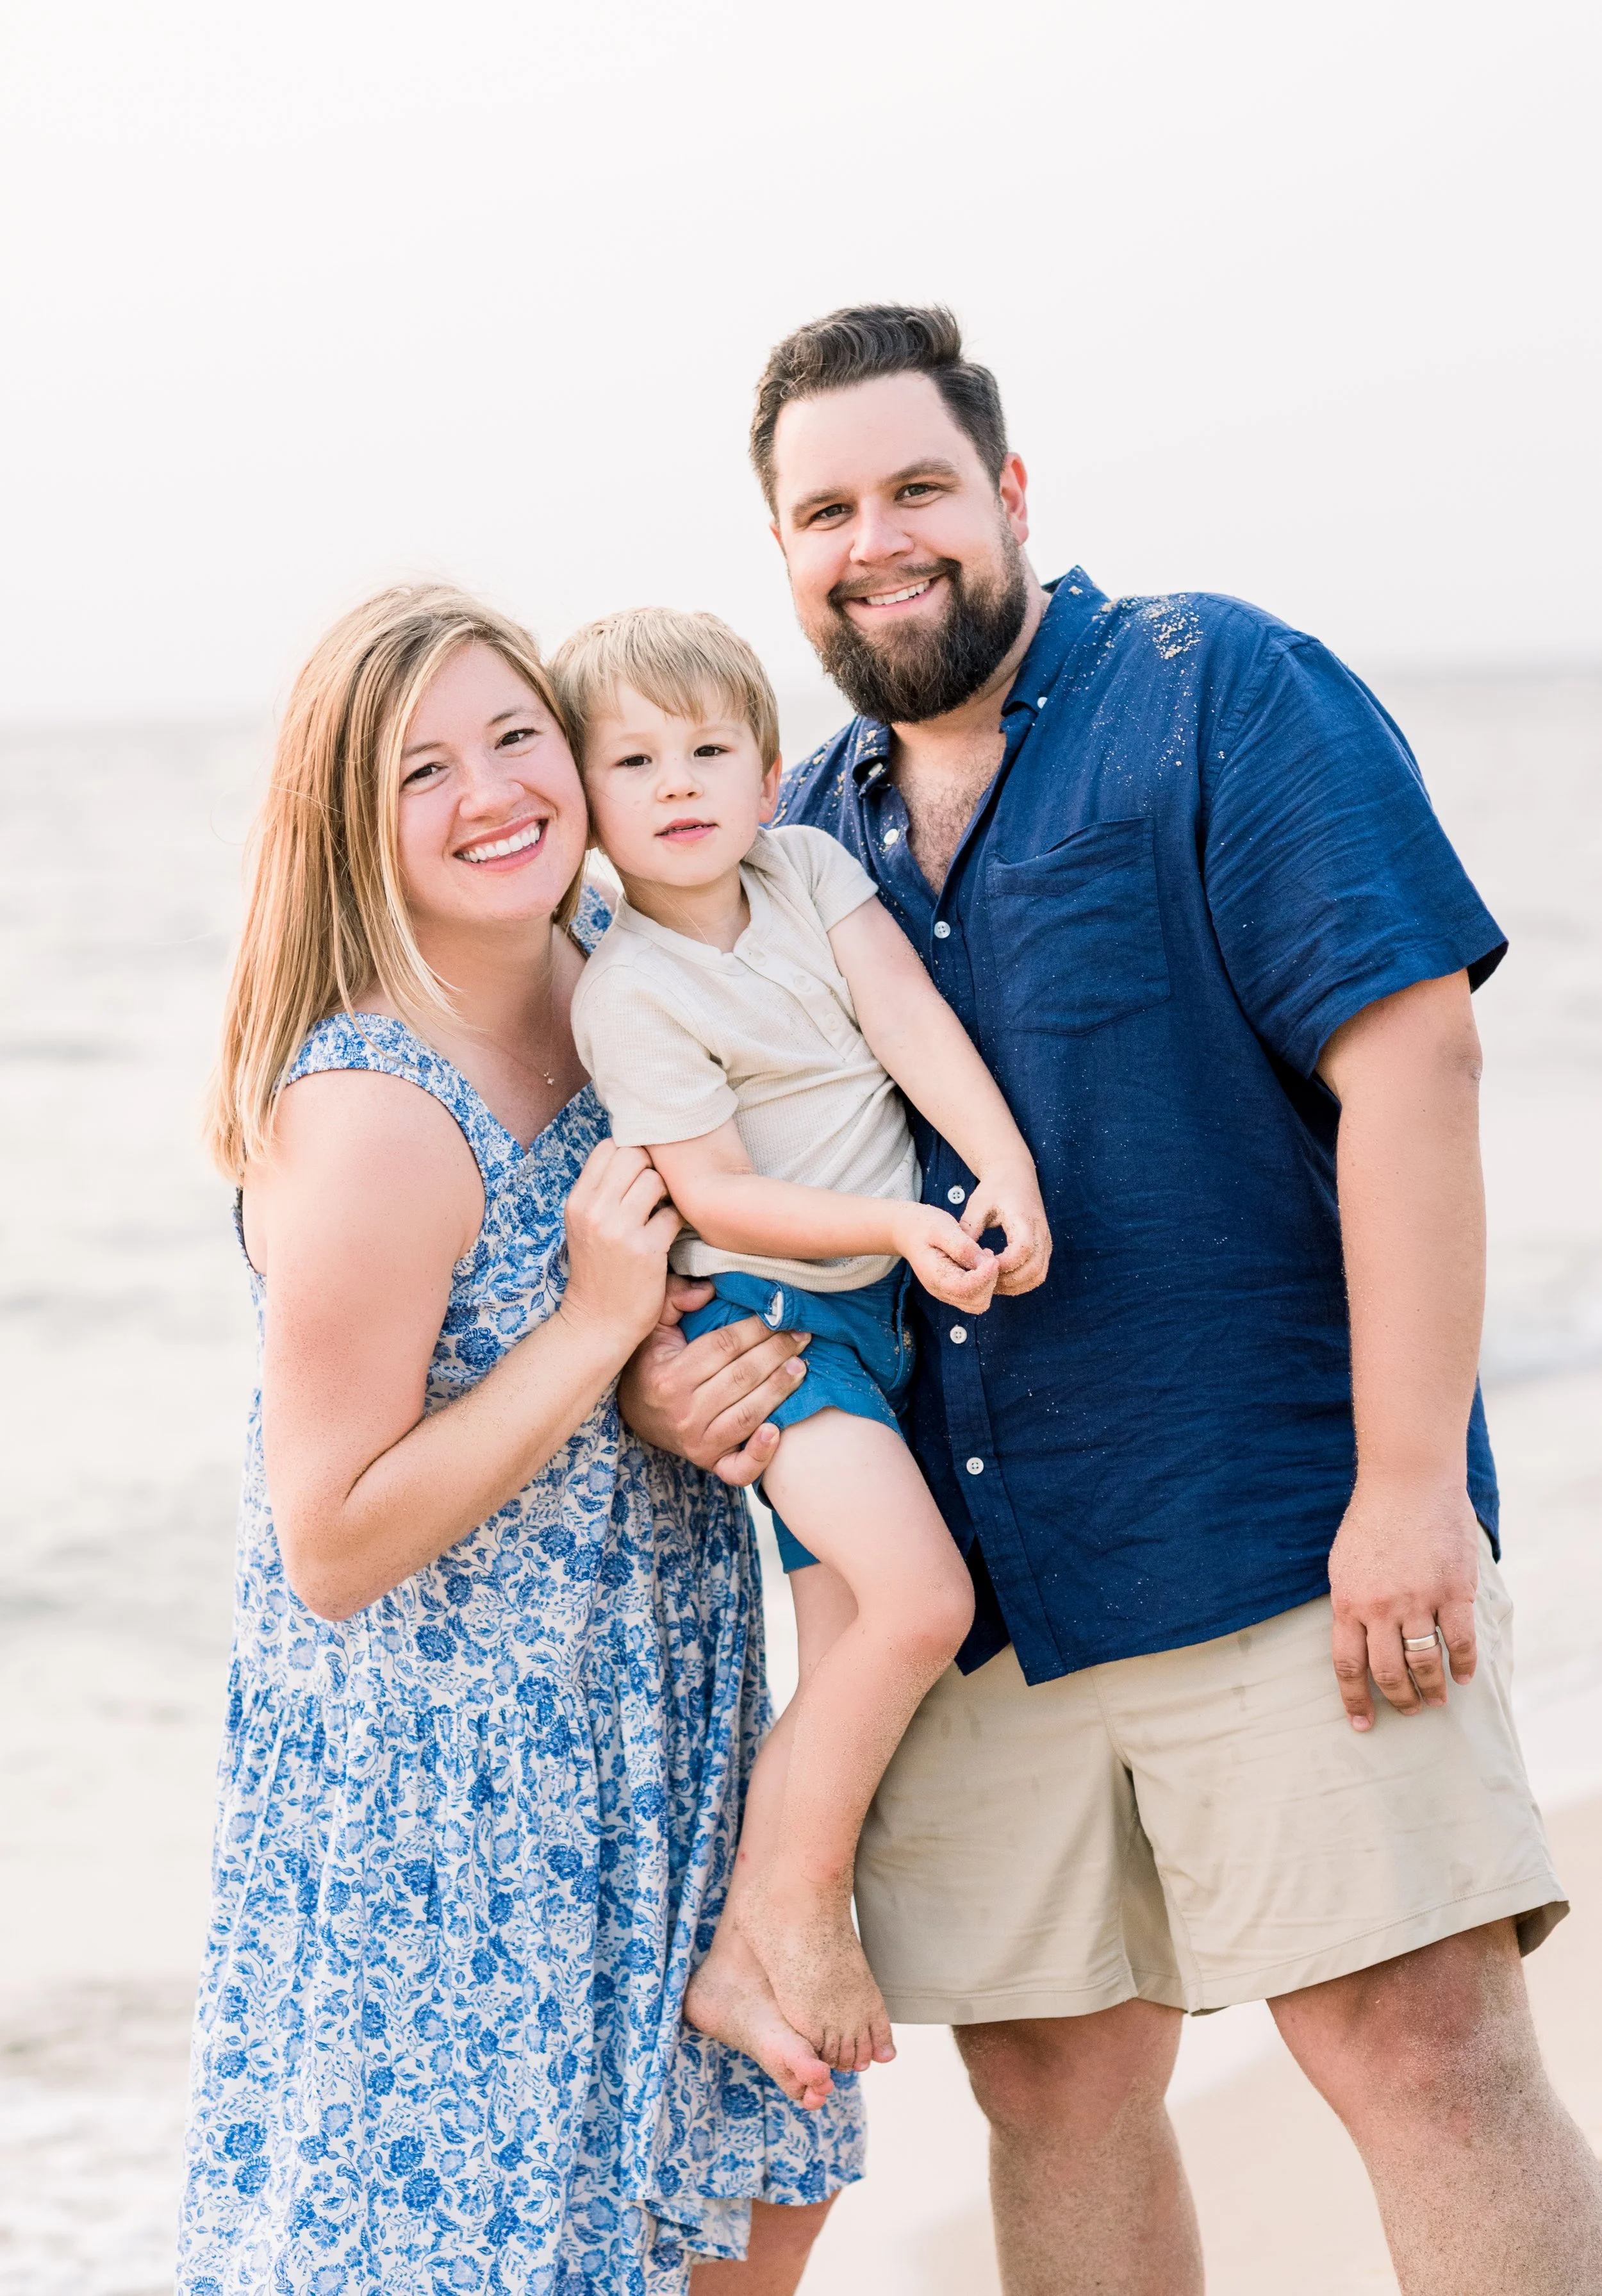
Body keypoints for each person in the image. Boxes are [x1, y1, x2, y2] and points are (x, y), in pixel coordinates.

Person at [622, 306, 1602, 2294]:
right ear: (784, 554)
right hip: (982, 1594)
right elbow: (684, 1171)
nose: (873, 538)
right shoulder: (790, 831)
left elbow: (1410, 1063)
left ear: (1004, 490)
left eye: (913, 486)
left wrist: (1409, 1484)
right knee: (1054, 2089)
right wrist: (666, 1374)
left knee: (1412, 2049)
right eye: (823, 511)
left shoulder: (1217, 687)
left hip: (1275, 1532)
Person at [178, 585, 861, 2296]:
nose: (491, 791)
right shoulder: (375, 1115)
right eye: (423, 768)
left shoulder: (635, 973)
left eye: (514, 735)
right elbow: (329, 1540)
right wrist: (588, 1331)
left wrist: (679, 1377)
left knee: (733, 2216)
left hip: (661, 1721)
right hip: (462, 1802)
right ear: (350, 822)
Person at [553, 606, 1050, 2083]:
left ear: (769, 773)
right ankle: (794, 1901)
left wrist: (999, 1167)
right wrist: (897, 1230)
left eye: (709, 747)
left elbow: (906, 1023)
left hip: (874, 1315)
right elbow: (711, 1192)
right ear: (584, 805)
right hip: (769, 1320)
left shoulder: (813, 868)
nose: (679, 780)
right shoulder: (625, 987)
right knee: (917, 1603)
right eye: (633, 760)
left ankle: (729, 1962)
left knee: (842, 1652)